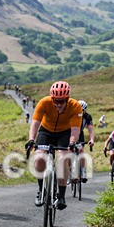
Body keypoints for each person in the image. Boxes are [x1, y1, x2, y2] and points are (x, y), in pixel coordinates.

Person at [25, 81, 82, 210]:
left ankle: (61, 196)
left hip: (65, 133)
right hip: (46, 131)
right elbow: (35, 124)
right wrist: (31, 140)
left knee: (63, 159)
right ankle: (41, 190)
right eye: (56, 101)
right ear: (52, 98)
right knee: (39, 157)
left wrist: (72, 143)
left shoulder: (75, 106)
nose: (58, 104)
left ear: (67, 99)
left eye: (62, 101)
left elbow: (75, 131)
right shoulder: (44, 102)